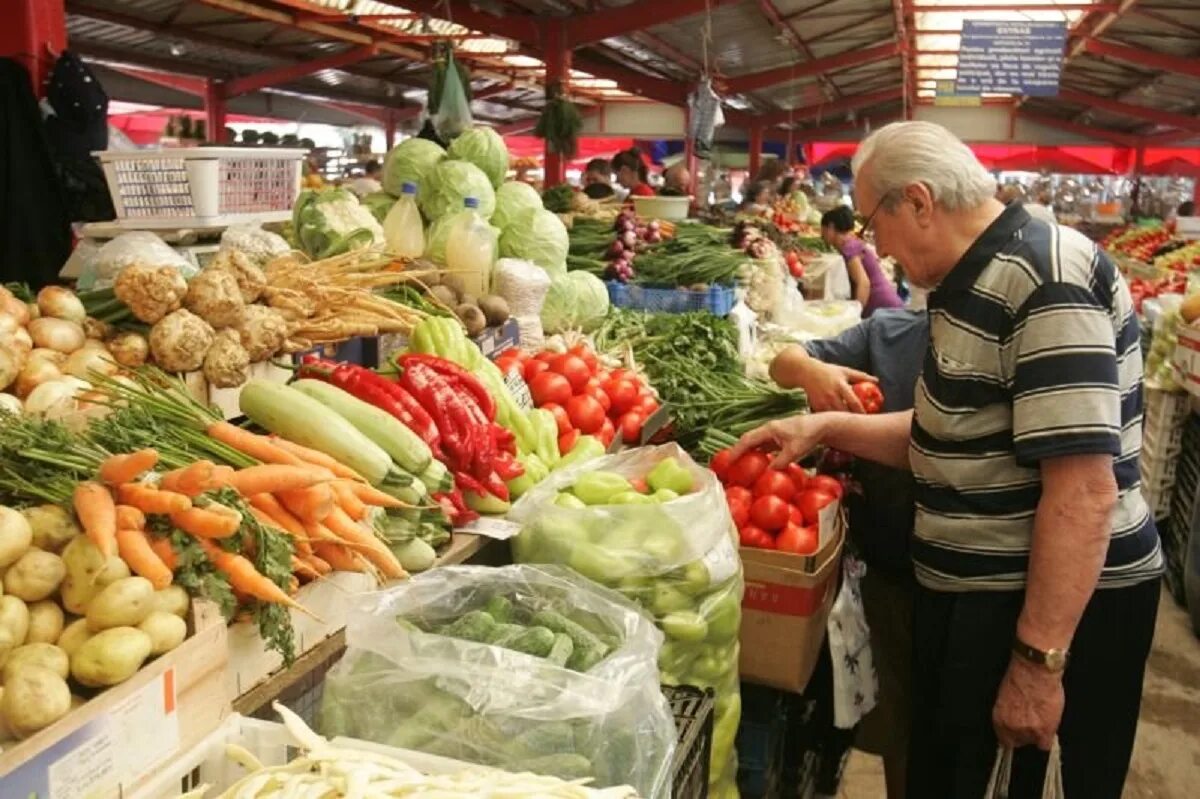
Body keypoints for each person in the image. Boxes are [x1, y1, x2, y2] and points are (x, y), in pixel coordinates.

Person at [732, 120, 1161, 799]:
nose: (876, 246)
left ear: (921, 203)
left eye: (875, 223)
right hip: (981, 599)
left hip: (1040, 609)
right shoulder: (972, 282)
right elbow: (950, 433)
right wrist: (821, 427)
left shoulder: (1042, 278)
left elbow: (1083, 494)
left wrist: (1037, 663)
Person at [770, 308, 928, 799]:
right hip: (889, 565)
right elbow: (783, 362)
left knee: (957, 726)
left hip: (974, 575)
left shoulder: (999, 345)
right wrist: (811, 372)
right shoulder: (890, 332)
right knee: (899, 718)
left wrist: (829, 428)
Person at [820, 206, 902, 317]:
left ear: (830, 227)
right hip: (886, 307)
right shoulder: (852, 243)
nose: (822, 236)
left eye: (823, 230)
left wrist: (854, 316)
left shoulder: (848, 248)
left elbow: (864, 283)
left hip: (884, 309)